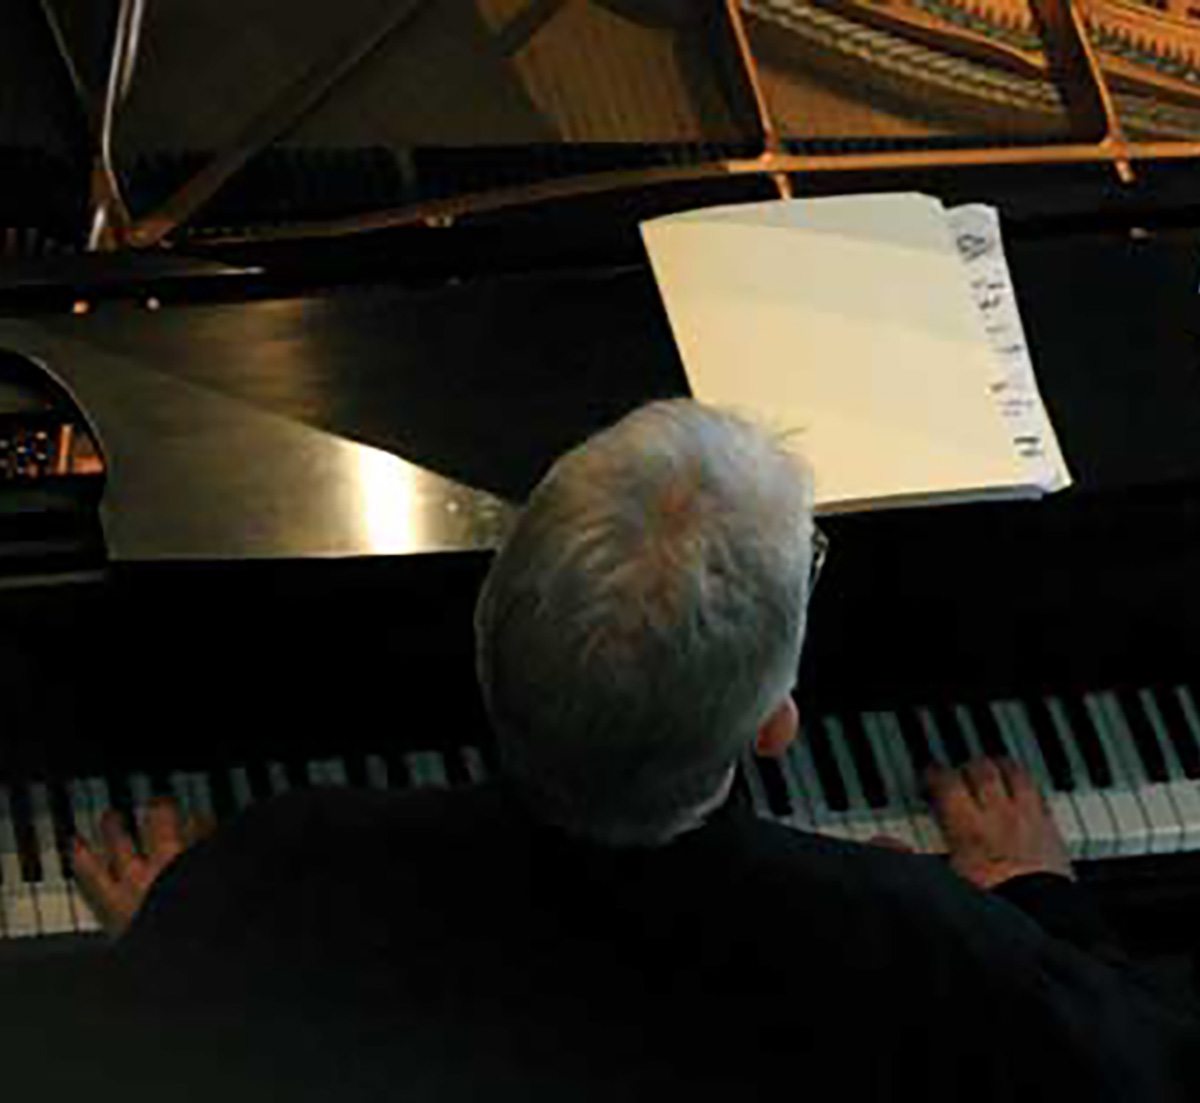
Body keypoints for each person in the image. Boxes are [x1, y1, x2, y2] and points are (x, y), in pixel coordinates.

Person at [39, 400, 1200, 1099]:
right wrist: (1042, 901)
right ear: (776, 722)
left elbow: (163, 1039)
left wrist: (180, 934)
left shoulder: (291, 865)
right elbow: (1145, 1066)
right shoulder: (924, 942)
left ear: (485, 646)